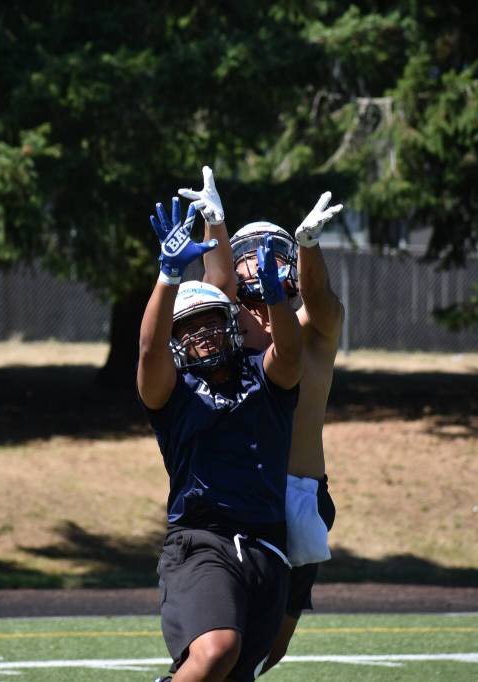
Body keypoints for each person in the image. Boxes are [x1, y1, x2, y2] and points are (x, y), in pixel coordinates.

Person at [180, 167, 344, 673]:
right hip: (250, 496)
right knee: (228, 645)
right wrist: (218, 227)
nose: (265, 263)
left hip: (304, 494)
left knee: (269, 651)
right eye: (258, 253)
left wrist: (309, 245)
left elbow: (321, 301)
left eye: (279, 253)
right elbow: (218, 285)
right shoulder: (238, 329)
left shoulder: (310, 330)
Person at [138, 194, 304, 682]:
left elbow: (291, 354)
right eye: (188, 329)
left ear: (233, 324)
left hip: (267, 549)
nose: (202, 335)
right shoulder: (175, 393)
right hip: (201, 540)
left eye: (211, 321)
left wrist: (276, 299)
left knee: (233, 673)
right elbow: (148, 351)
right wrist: (168, 276)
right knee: (216, 651)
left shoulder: (264, 378)